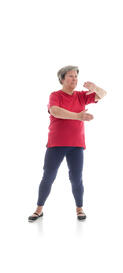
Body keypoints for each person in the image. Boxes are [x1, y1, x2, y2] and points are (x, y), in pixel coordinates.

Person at [28, 66, 107, 222]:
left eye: (76, 76)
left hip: (76, 145)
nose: (74, 79)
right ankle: (39, 209)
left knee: (76, 178)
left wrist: (94, 87)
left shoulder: (81, 96)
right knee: (48, 176)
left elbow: (103, 94)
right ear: (62, 79)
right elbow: (56, 111)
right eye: (70, 76)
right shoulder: (55, 95)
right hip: (56, 144)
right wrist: (78, 116)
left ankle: (79, 208)